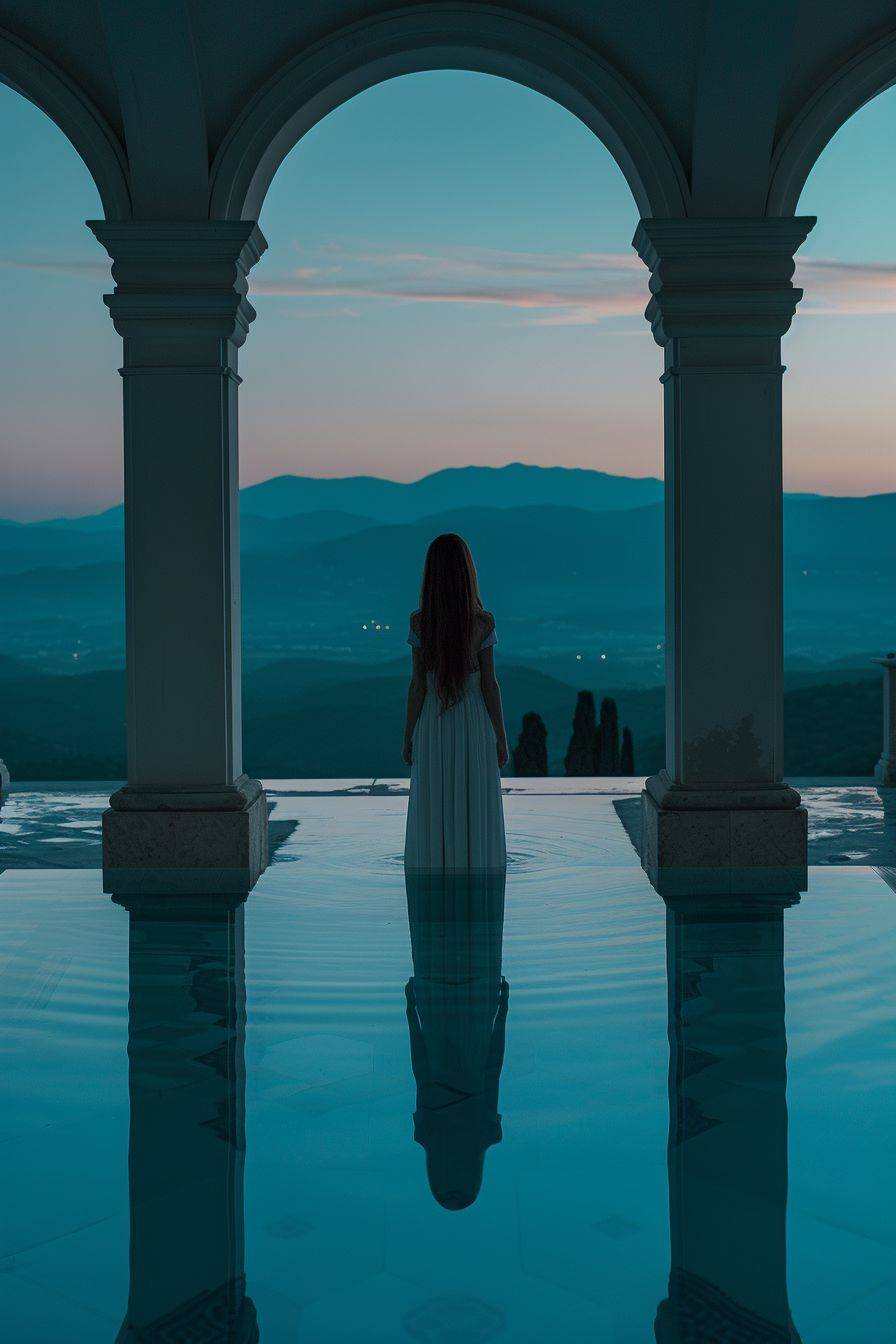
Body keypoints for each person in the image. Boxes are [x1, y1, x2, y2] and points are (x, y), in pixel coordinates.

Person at [403, 533, 507, 872]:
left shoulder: (420, 623)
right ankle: (476, 867)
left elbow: (418, 685)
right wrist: (501, 737)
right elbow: (490, 685)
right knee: (474, 800)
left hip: (433, 720)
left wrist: (408, 737)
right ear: (467, 572)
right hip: (474, 723)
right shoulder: (483, 622)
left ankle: (435, 870)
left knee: (435, 801)